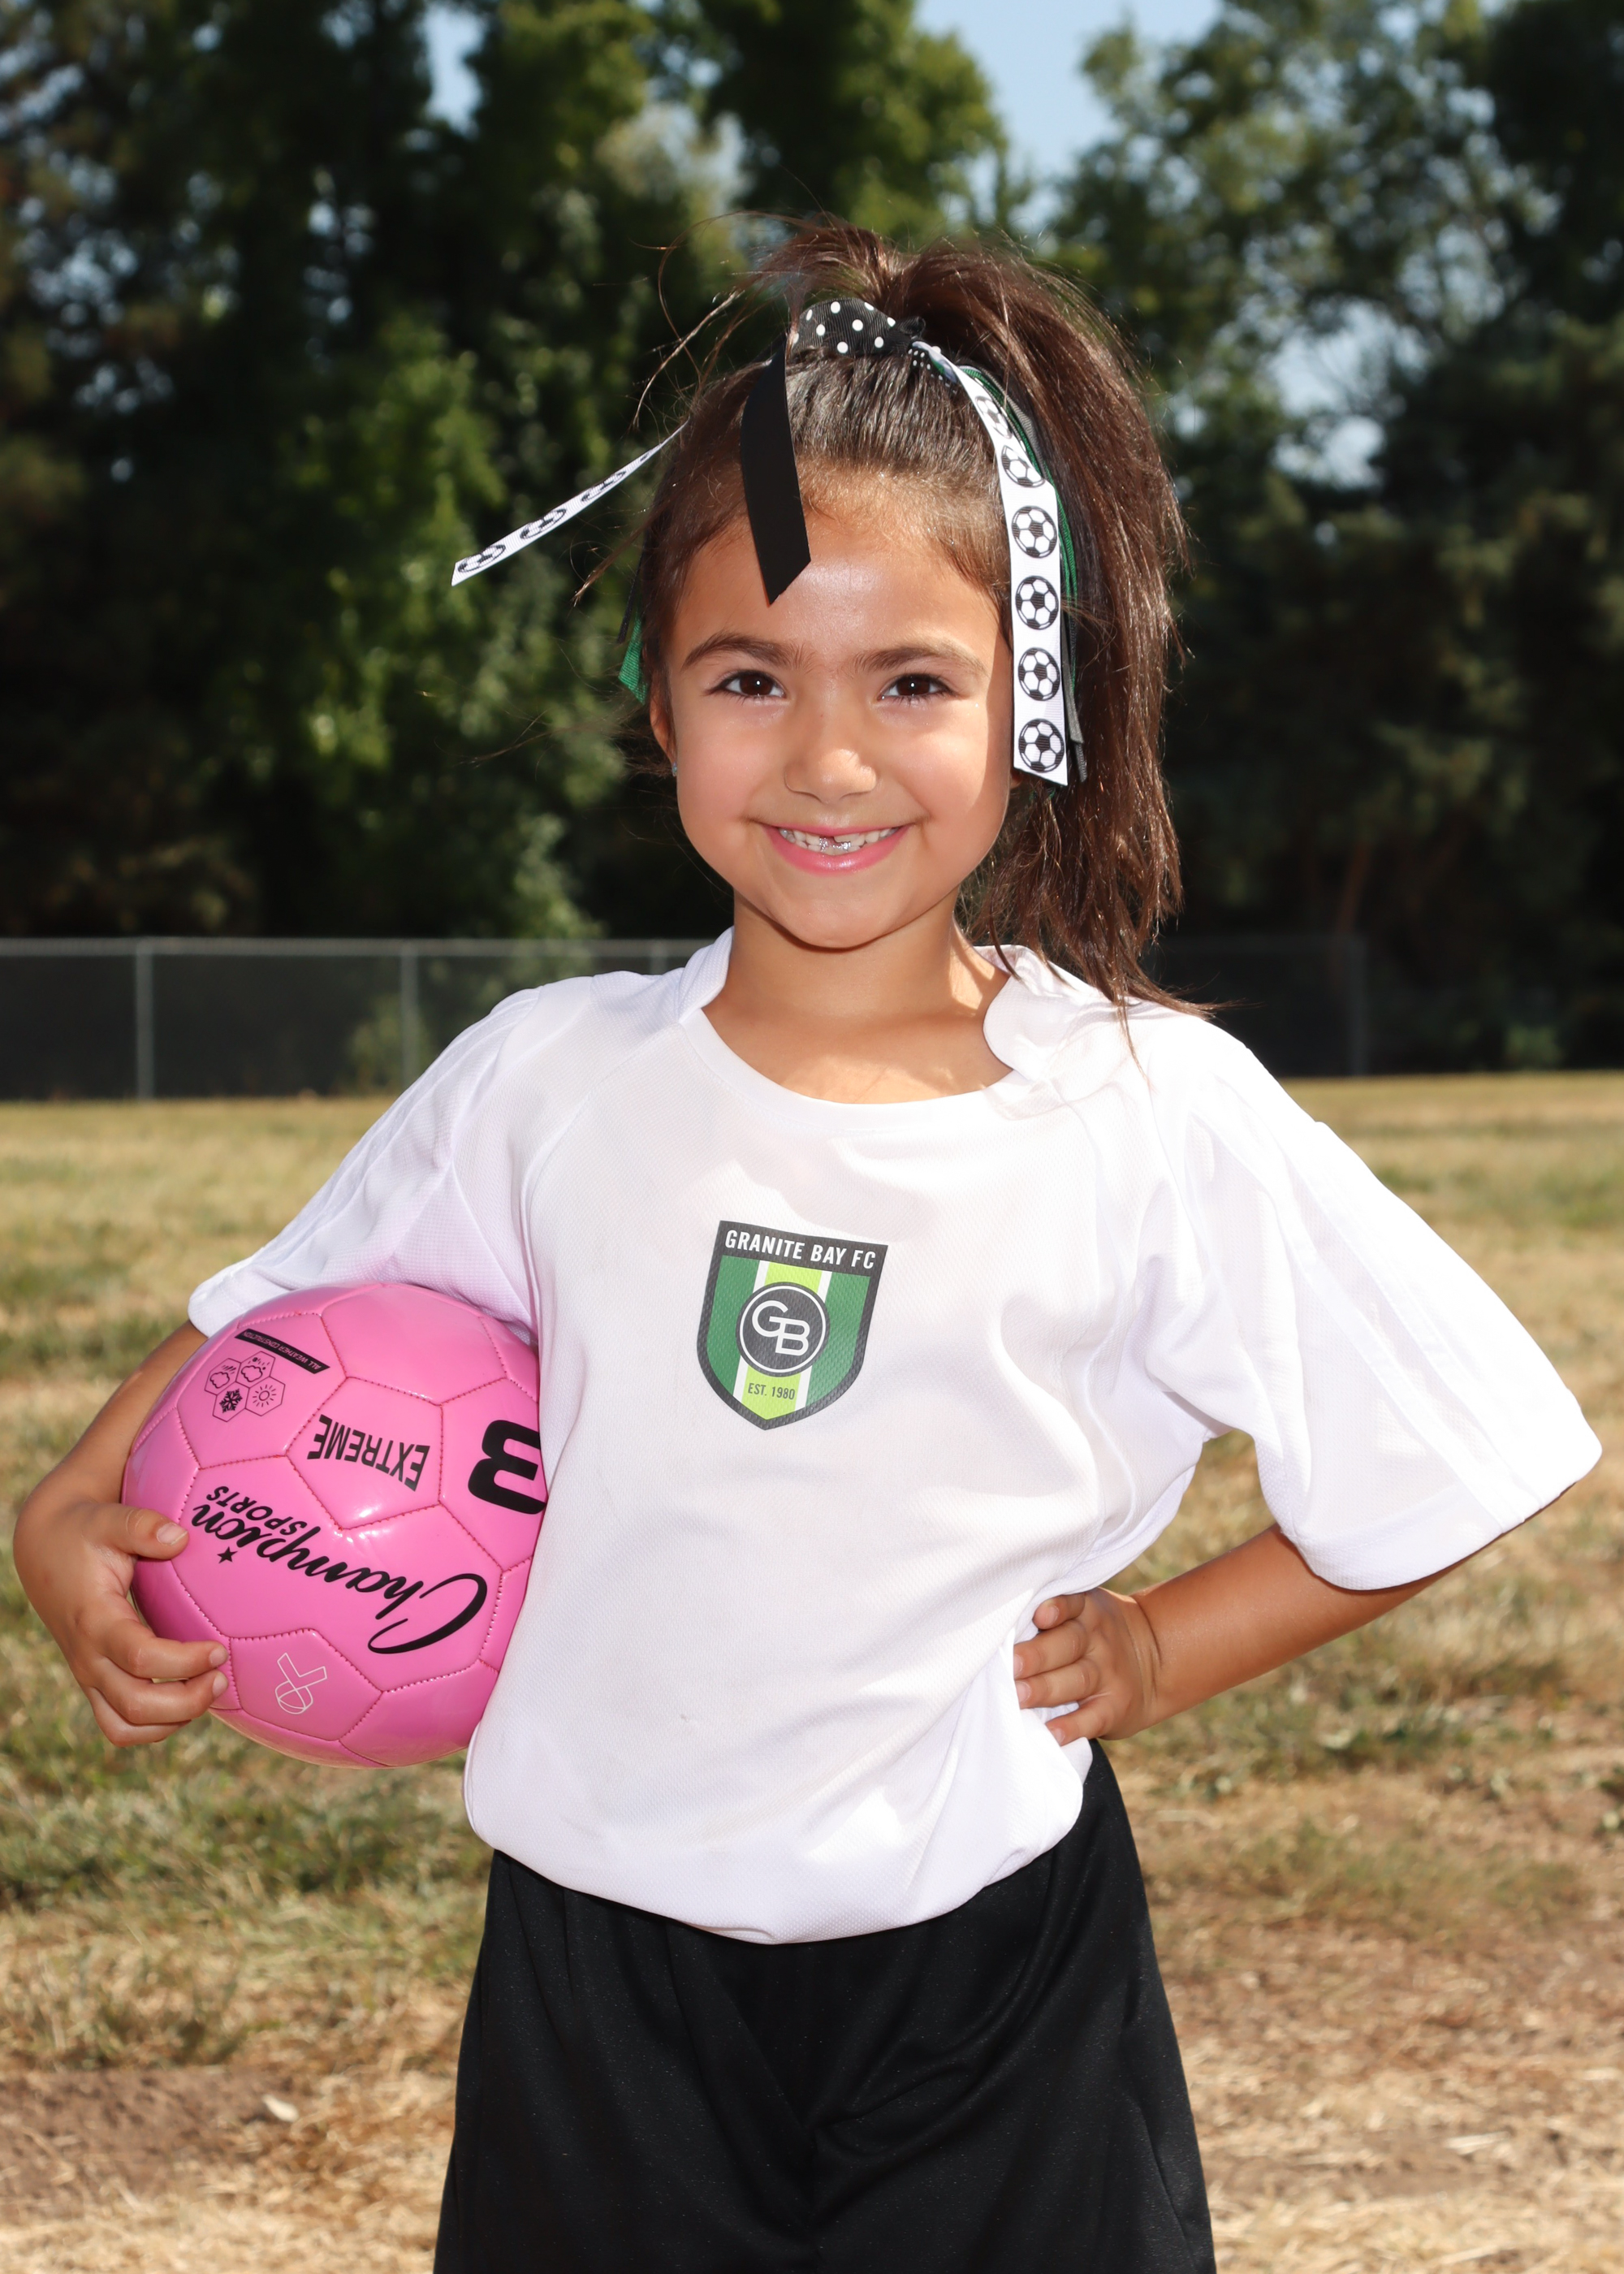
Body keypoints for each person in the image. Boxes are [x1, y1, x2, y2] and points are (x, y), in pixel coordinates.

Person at [14, 224, 1599, 2274]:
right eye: (750, 676)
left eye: (912, 682)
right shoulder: (548, 1077)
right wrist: (72, 1501)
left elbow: (1452, 1448)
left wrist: (1161, 1645)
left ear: (1026, 702)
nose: (829, 757)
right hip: (598, 1976)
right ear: (654, 699)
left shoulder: (1141, 1107)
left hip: (997, 1978)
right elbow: (275, 1320)